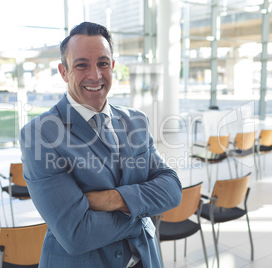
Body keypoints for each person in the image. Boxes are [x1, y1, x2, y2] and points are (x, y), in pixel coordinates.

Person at [20, 21, 182, 268]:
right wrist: (142, 211)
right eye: (81, 65)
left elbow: (172, 188)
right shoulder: (40, 135)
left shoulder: (136, 121)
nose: (95, 75)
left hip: (145, 260)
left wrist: (114, 199)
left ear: (113, 66)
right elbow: (76, 234)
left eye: (103, 63)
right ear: (63, 72)